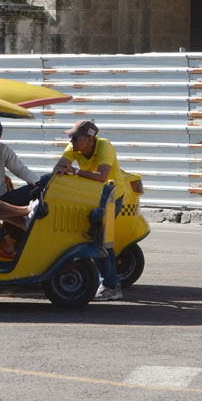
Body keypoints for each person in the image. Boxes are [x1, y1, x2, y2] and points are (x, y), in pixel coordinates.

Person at [53, 119, 124, 302]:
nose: (71, 142)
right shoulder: (73, 148)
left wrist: (75, 172)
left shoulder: (104, 147)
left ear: (90, 140)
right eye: (70, 137)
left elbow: (102, 177)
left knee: (99, 238)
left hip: (111, 197)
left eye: (75, 138)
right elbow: (59, 168)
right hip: (90, 197)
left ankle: (111, 285)